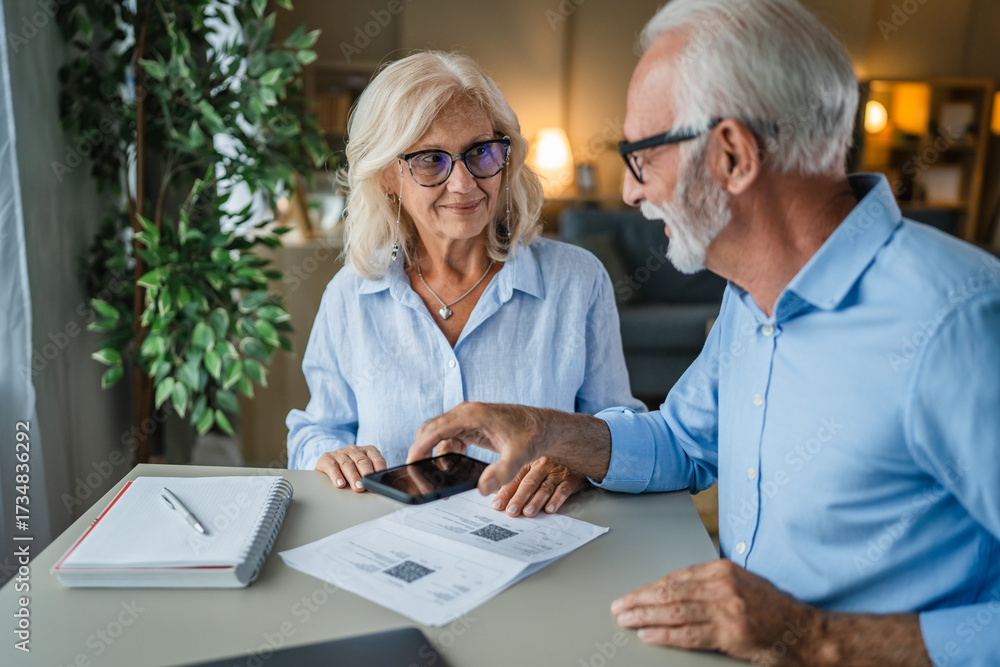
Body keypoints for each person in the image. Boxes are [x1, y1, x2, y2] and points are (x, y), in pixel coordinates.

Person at [408, 1, 1000, 664]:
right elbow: (683, 442)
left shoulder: (961, 324)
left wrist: (817, 636)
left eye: (639, 156)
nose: (631, 193)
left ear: (731, 155)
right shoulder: (750, 296)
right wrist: (543, 428)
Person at [286, 51, 645, 518]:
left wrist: (578, 462)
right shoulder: (350, 295)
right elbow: (316, 429)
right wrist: (329, 454)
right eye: (431, 160)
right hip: (390, 549)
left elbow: (623, 427)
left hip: (538, 549)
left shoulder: (577, 280)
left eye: (481, 152)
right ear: (388, 177)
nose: (464, 184)